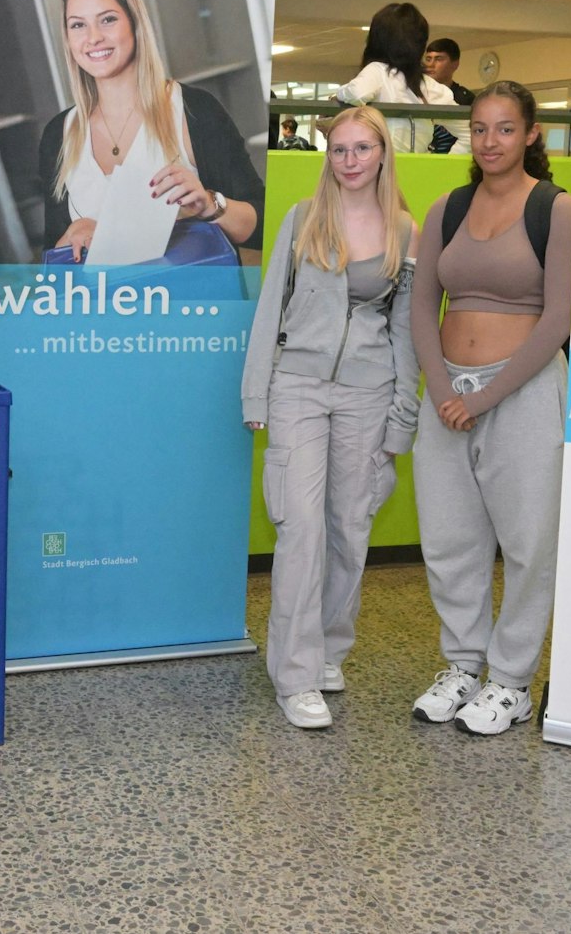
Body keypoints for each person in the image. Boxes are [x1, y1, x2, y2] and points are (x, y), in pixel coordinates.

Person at [241, 106, 419, 729]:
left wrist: (403, 420)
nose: (349, 161)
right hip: (298, 388)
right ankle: (294, 675)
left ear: (381, 154)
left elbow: (407, 332)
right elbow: (271, 311)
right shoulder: (302, 220)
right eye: (339, 149)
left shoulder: (404, 231)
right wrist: (255, 396)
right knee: (301, 528)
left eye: (361, 149)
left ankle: (327, 651)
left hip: (370, 395)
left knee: (350, 525)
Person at [407, 81, 571, 736]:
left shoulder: (557, 210)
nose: (490, 141)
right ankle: (462, 665)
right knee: (451, 539)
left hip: (524, 392)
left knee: (529, 541)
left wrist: (487, 396)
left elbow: (558, 314)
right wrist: (444, 389)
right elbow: (423, 305)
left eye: (505, 128)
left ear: (531, 133)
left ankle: (511, 680)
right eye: (479, 128)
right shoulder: (447, 208)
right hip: (448, 394)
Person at [37, 0, 263, 261]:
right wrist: (73, 231)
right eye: (78, 24)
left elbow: (260, 226)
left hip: (192, 304)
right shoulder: (59, 134)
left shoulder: (195, 111)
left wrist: (209, 204)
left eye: (107, 20)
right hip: (104, 306)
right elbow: (52, 253)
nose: (93, 38)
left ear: (135, 23)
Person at [336, 3, 469, 156]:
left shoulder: (377, 71)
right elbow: (470, 132)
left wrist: (338, 94)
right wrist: (443, 166)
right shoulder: (428, 85)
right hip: (417, 171)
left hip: (379, 171)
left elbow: (357, 94)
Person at [423, 38, 475, 155]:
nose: (431, 64)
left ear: (455, 64)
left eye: (438, 59)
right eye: (428, 59)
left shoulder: (465, 99)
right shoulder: (416, 94)